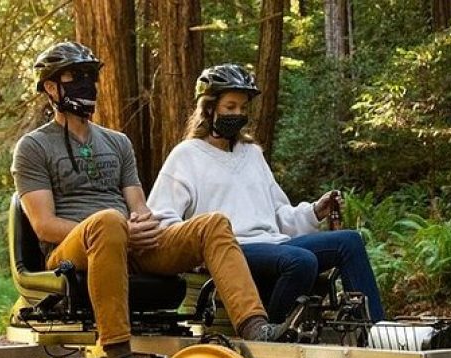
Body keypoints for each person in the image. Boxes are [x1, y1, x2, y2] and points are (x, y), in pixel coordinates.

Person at [11, 43, 286, 358]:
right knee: (107, 222)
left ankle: (255, 326)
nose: (86, 85)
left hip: (126, 242)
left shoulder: (117, 143)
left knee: (213, 224)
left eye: (91, 77)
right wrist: (117, 227)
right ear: (50, 89)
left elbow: (139, 207)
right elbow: (44, 226)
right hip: (71, 252)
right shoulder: (33, 147)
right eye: (73, 78)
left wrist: (141, 223)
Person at [147, 63, 386, 324]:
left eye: (243, 108)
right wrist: (192, 253)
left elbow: (279, 214)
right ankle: (272, 333)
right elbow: (163, 220)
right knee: (301, 260)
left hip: (276, 244)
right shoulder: (186, 155)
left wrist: (315, 210)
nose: (238, 114)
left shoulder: (252, 153)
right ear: (209, 108)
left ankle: (376, 331)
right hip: (232, 250)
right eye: (230, 107)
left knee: (349, 241)